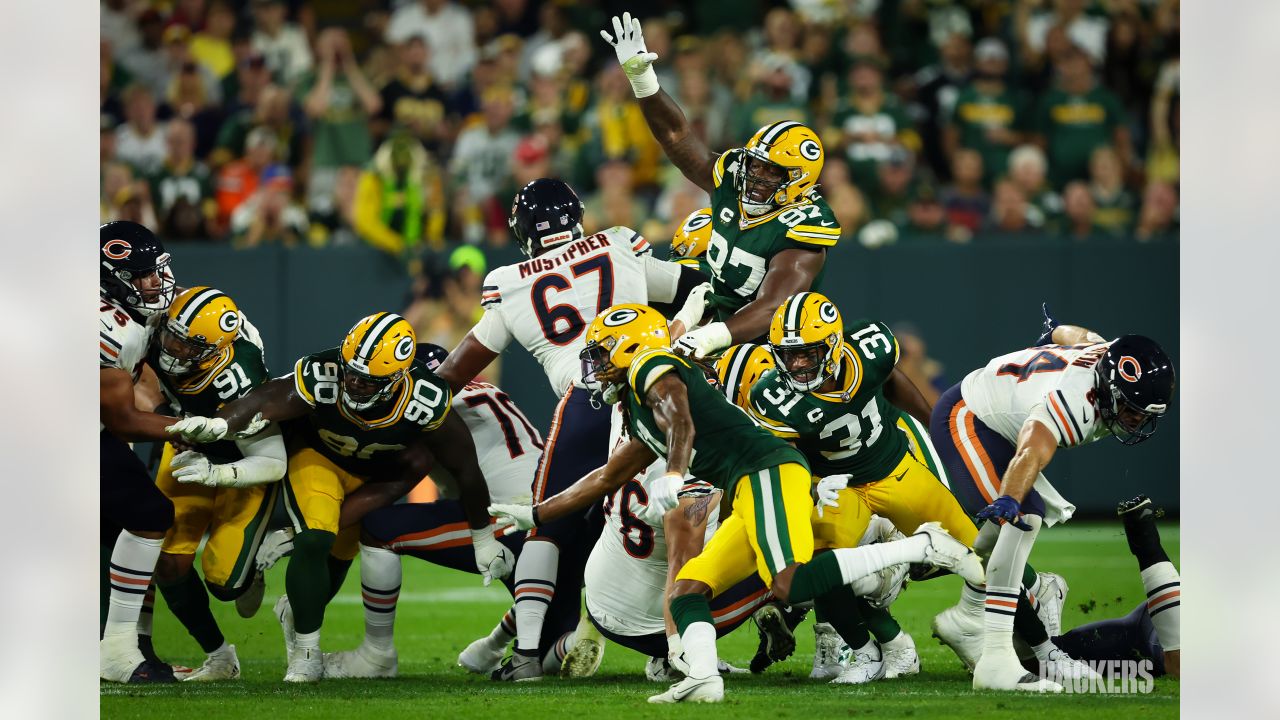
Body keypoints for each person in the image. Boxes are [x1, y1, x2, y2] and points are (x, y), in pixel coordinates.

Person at [489, 304, 985, 704]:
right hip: (750, 485)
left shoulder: (653, 368)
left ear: (630, 348)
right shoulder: (641, 406)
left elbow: (680, 420)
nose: (594, 365)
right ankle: (704, 679)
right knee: (687, 591)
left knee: (789, 582)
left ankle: (920, 549)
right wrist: (536, 514)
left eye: (601, 354)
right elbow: (604, 477)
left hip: (768, 469)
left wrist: (678, 474)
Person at [433, 178, 703, 681]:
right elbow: (690, 289)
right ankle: (676, 645)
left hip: (587, 399)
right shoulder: (620, 242)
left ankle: (528, 656)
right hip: (653, 392)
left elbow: (457, 367)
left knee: (548, 525)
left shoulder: (509, 280)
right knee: (679, 518)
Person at [167, 313, 513, 682]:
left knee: (333, 563)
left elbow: (464, 471)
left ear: (398, 378)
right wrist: (223, 423)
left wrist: (482, 537)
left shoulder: (424, 404)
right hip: (318, 459)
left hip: (370, 481)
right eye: (350, 371)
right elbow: (268, 397)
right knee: (314, 537)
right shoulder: (326, 371)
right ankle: (306, 655)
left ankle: (297, 621)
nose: (353, 382)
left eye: (367, 380)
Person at [928, 307, 1176, 691]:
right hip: (969, 415)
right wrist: (1010, 500)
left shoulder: (1104, 355)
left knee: (999, 537)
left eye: (1142, 415)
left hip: (1003, 417)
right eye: (1128, 409)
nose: (1133, 421)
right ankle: (995, 659)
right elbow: (1030, 453)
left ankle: (972, 614)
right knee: (1025, 515)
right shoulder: (1075, 402)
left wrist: (1053, 330)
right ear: (1109, 387)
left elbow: (1077, 336)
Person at [747, 292, 976, 684]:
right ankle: (865, 651)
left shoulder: (869, 348)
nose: (798, 364)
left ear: (834, 346)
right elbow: (782, 453)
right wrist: (811, 488)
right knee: (822, 570)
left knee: (979, 551)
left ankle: (1037, 639)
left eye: (808, 352)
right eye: (789, 354)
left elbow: (891, 378)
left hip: (895, 471)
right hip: (836, 488)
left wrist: (935, 425)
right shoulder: (772, 395)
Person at [600, 13, 840, 357]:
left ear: (798, 181)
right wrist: (642, 78)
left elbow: (773, 307)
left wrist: (712, 336)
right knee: (618, 266)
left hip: (764, 346)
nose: (757, 175)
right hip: (709, 300)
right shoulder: (733, 179)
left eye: (773, 172)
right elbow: (676, 136)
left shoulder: (804, 225)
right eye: (756, 164)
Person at [323, 343, 546, 679]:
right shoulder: (486, 390)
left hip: (508, 517)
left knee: (379, 530)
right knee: (554, 636)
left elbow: (401, 479)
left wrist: (311, 528)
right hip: (548, 518)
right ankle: (498, 643)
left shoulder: (427, 406)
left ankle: (375, 656)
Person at [145, 287, 287, 681]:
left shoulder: (239, 378)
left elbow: (273, 461)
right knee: (168, 561)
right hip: (188, 445)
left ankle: (253, 568)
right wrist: (164, 419)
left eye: (186, 345)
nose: (172, 347)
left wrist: (218, 473)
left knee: (225, 584)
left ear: (213, 351)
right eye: (171, 335)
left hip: (241, 461)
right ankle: (220, 656)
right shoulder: (156, 327)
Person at [99, 221, 188, 683]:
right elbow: (123, 420)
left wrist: (160, 409)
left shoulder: (126, 315)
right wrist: (189, 427)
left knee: (122, 529)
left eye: (155, 270)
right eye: (140, 274)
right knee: (150, 512)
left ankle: (128, 646)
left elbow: (138, 383)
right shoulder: (104, 325)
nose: (154, 282)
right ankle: (115, 650)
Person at [1050, 495, 1180, 679]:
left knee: (1047, 657)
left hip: (1146, 636)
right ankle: (1146, 542)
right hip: (1160, 619)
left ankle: (1146, 542)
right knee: (1043, 656)